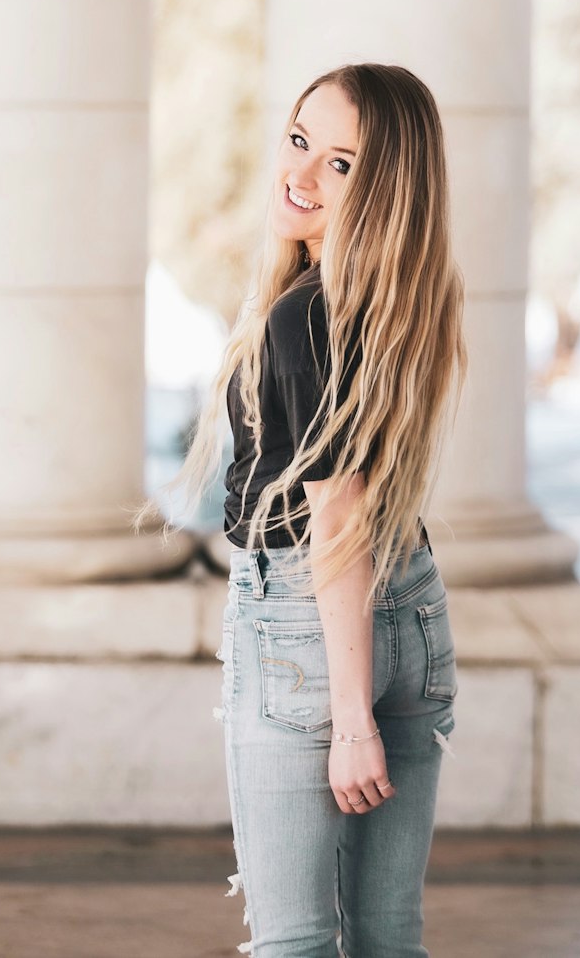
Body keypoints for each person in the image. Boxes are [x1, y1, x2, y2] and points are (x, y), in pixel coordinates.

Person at [137, 62, 467, 958]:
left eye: (342, 165)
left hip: (310, 627)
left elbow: (337, 518)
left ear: (386, 190)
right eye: (299, 143)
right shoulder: (402, 309)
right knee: (389, 934)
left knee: (294, 942)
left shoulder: (304, 318)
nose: (302, 175)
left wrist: (352, 719)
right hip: (413, 609)